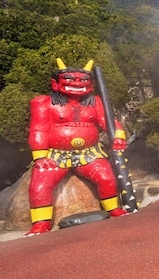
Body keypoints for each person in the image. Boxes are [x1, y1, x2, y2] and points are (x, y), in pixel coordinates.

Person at [25, 59, 128, 236]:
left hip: (89, 153)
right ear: (55, 84)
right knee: (40, 185)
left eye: (83, 80)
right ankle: (41, 223)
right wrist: (40, 157)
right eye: (70, 79)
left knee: (107, 178)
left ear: (91, 84)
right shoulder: (44, 102)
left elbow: (109, 122)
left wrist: (118, 136)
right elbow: (38, 129)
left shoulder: (95, 102)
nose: (77, 83)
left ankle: (112, 209)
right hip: (56, 155)